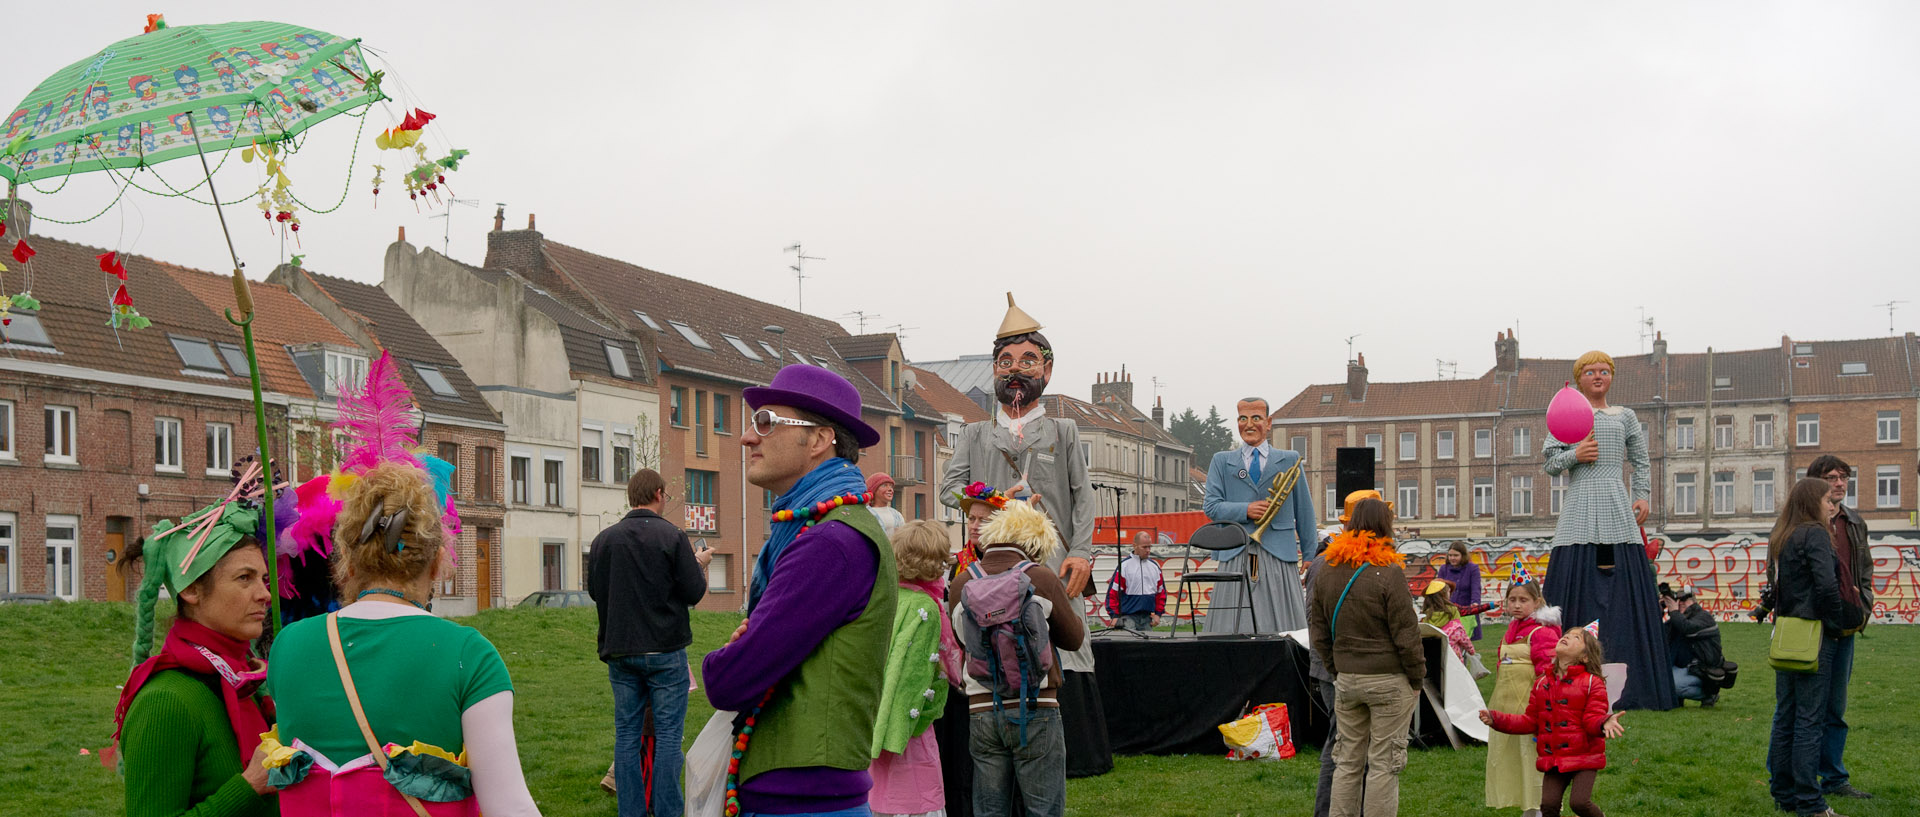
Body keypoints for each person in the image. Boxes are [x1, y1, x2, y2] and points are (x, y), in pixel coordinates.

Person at [267, 461, 542, 816]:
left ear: (348, 564)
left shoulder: (288, 645)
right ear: (436, 562)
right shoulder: (470, 656)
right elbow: (509, 807)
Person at [703, 364, 898, 816]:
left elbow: (730, 681)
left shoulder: (830, 544)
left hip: (802, 801)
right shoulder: (826, 531)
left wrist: (721, 660)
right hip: (804, 791)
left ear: (818, 440)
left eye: (766, 422)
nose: (748, 438)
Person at [939, 293, 1111, 779]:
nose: (1016, 370)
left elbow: (1084, 498)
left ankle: (1065, 751)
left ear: (1048, 371)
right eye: (1005, 361)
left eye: (1028, 360)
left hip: (1054, 564)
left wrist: (1081, 553)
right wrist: (994, 499)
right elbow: (950, 489)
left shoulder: (1065, 430)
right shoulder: (974, 436)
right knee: (993, 641)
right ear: (994, 371)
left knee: (1064, 639)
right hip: (992, 567)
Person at [115, 506, 277, 817]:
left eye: (264, 579)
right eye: (245, 578)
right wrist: (249, 786)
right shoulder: (165, 701)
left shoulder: (246, 682)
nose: (265, 594)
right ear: (190, 589)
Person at [1541, 351, 1675, 712]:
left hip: (1616, 501)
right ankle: (1563, 679)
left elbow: (1642, 460)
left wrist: (1643, 495)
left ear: (1612, 377)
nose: (1598, 376)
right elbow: (1550, 463)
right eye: (1590, 371)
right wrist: (1576, 454)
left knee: (1627, 591)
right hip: (1580, 505)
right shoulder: (1567, 413)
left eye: (1604, 371)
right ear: (1578, 377)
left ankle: (1635, 684)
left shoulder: (1625, 416)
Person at [588, 468, 715, 817]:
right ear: (659, 493)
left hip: (621, 649)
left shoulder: (603, 540)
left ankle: (631, 812)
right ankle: (667, 811)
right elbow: (693, 592)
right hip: (665, 649)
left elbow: (595, 591)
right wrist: (699, 563)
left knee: (626, 735)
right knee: (669, 736)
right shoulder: (672, 536)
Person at [951, 499, 1088, 817]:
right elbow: (1074, 639)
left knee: (989, 809)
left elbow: (962, 641)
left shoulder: (961, 582)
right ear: (1036, 542)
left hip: (982, 707)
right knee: (1043, 808)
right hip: (1037, 705)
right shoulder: (1040, 577)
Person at [1305, 497, 1424, 817]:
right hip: (1388, 680)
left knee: (1346, 763)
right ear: (1384, 526)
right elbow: (1407, 634)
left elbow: (1317, 631)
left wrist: (1337, 669)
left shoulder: (1326, 568)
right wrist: (1417, 678)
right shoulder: (1389, 571)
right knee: (1384, 765)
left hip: (1346, 680)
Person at [1765, 477, 1851, 817]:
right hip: (1815, 635)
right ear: (1812, 502)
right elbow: (1827, 586)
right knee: (1809, 720)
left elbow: (1780, 588)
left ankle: (1784, 793)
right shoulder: (1815, 534)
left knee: (1786, 716)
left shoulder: (1784, 535)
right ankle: (1810, 802)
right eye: (1827, 500)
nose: (1832, 505)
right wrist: (1835, 624)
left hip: (1787, 635)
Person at [1479, 626, 1627, 817]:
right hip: (1554, 758)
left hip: (1585, 756)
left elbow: (1592, 718)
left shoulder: (1592, 682)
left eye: (1576, 638)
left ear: (1585, 657)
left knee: (1579, 803)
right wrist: (1496, 719)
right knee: (1548, 805)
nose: (1566, 637)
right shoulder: (1542, 683)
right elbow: (1530, 721)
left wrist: (1603, 722)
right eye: (1566, 634)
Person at [871, 520, 966, 817]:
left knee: (878, 794)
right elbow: (936, 667)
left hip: (875, 716)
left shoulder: (886, 596)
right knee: (914, 794)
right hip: (909, 724)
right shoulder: (928, 606)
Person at [1202, 396, 1316, 633]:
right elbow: (1211, 506)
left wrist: (1310, 553)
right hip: (1236, 551)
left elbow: (1304, 510)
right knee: (1230, 626)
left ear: (1269, 422)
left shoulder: (1290, 459)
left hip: (1278, 553)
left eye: (1256, 418)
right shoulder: (1222, 461)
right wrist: (1246, 510)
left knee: (1285, 626)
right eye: (1243, 418)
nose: (1249, 424)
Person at [933, 482, 1011, 817]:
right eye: (972, 519)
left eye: (983, 519)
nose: (975, 525)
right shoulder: (958, 564)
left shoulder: (1013, 563)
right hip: (964, 678)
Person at [1305, 488, 1383, 817]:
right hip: (1338, 669)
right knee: (1343, 747)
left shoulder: (1336, 561)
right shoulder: (1329, 563)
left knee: (1349, 747)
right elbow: (1316, 621)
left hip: (1338, 667)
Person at [1804, 455, 1876, 802]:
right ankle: (1799, 781)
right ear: (1816, 482)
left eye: (1845, 477)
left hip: (1845, 629)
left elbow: (1865, 571)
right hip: (1811, 630)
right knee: (1805, 709)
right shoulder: (1802, 522)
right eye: (1832, 477)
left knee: (1836, 708)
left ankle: (1834, 778)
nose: (1840, 483)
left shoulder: (1854, 521)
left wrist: (1863, 609)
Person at [1486, 578, 1561, 817]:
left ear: (1537, 602)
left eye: (1523, 600)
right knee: (1514, 760)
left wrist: (1545, 708)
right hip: (1508, 706)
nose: (1517, 605)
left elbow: (1547, 673)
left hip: (1532, 707)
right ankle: (1527, 808)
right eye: (1512, 600)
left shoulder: (1542, 633)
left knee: (1533, 758)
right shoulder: (1509, 631)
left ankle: (1540, 808)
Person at [1662, 583, 1727, 708]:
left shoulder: (1704, 617)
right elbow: (1660, 634)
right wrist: (1659, 609)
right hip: (1687, 666)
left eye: (1684, 600)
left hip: (1703, 669)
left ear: (1693, 601)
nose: (1680, 603)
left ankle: (1708, 695)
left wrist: (1674, 611)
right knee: (1661, 680)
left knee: (1672, 686)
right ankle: (1678, 698)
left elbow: (1687, 627)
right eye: (1677, 600)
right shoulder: (1679, 618)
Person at [1104, 532, 1165, 632]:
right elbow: (1112, 593)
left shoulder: (1155, 567)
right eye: (1144, 547)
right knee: (1130, 646)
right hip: (1127, 617)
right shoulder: (1124, 566)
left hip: (1147, 618)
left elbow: (1161, 593)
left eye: (1149, 547)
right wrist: (1114, 616)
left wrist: (1158, 614)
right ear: (1134, 546)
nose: (1148, 550)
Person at [1420, 579, 1487, 662]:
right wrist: (1471, 651)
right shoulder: (1453, 611)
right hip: (1453, 657)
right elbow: (1460, 633)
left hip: (1431, 656)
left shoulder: (1424, 615)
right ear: (1444, 595)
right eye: (1448, 592)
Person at [1434, 541, 1485, 640]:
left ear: (1463, 555)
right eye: (1450, 555)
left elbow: (1476, 587)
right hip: (1449, 611)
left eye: (1456, 555)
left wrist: (1475, 603)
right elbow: (1438, 589)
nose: (1452, 558)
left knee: (1466, 640)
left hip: (1466, 610)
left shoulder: (1472, 568)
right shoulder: (1444, 569)